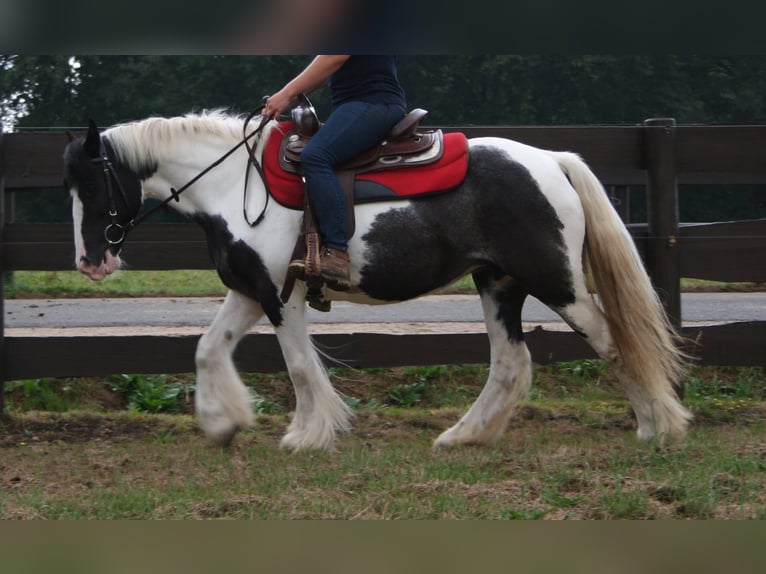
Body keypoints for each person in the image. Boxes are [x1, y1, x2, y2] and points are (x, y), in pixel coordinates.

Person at [263, 55, 407, 290]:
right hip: (357, 105)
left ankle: (337, 252)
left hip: (372, 103)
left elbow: (333, 58)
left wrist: (285, 95)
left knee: (316, 156)